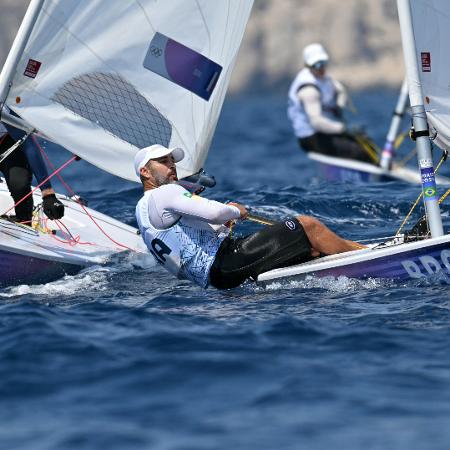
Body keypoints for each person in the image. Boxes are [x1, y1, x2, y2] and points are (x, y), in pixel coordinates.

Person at [135, 144, 366, 289]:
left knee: (311, 249)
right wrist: (236, 211)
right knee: (308, 226)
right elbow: (215, 212)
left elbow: (184, 246)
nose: (172, 166)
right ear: (145, 172)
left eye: (173, 161)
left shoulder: (142, 211)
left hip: (217, 278)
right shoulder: (166, 192)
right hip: (225, 263)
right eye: (163, 162)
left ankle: (355, 253)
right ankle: (367, 256)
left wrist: (221, 226)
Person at [287, 43, 376, 164]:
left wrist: (339, 107)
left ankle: (384, 168)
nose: (321, 68)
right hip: (312, 137)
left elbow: (340, 90)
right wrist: (344, 129)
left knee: (366, 142)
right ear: (308, 66)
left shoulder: (323, 77)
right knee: (359, 152)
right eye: (317, 65)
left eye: (323, 63)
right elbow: (317, 123)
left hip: (327, 131)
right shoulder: (309, 90)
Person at [0, 122, 65, 224]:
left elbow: (28, 145)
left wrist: (48, 195)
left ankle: (23, 219)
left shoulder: (5, 108)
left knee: (19, 185)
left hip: (8, 142)